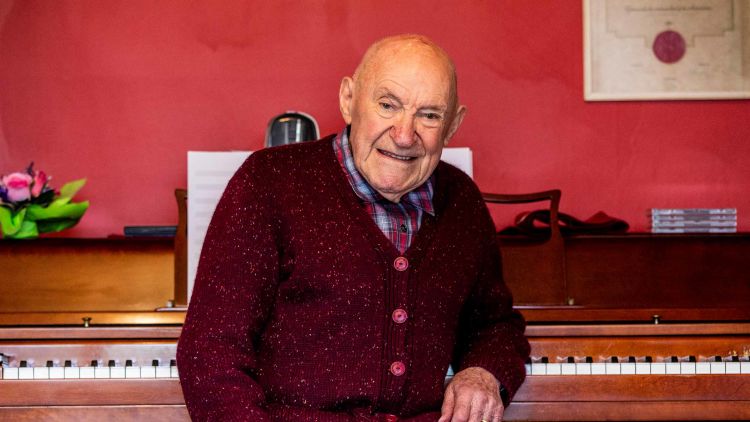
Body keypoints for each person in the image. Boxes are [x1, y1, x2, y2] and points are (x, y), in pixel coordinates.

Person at [177, 34, 529, 422]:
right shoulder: (267, 183)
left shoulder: (461, 201)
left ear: (452, 125)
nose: (404, 135)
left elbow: (494, 325)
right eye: (387, 105)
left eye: (429, 115)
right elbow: (210, 353)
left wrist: (483, 372)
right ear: (348, 99)